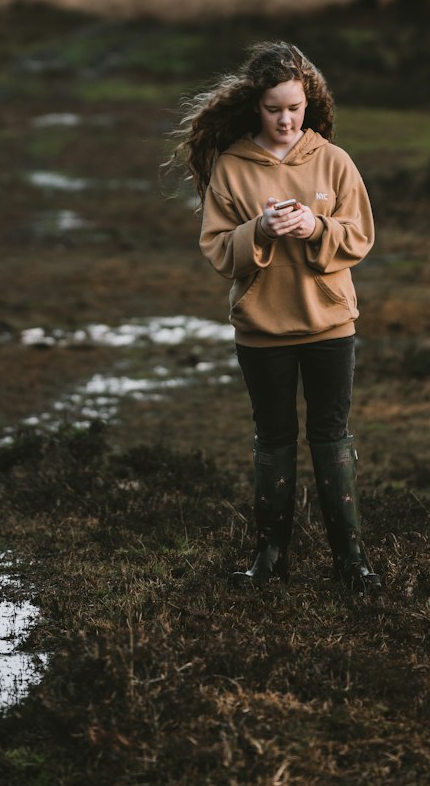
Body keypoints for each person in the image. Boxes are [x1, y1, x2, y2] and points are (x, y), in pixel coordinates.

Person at [173, 39, 380, 594]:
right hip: (262, 330)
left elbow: (360, 237)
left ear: (307, 102)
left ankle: (350, 560)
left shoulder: (334, 162)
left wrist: (316, 229)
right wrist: (258, 232)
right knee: (274, 438)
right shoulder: (232, 168)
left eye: (295, 107)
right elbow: (218, 249)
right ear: (255, 107)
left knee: (331, 435)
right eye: (273, 109)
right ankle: (270, 558)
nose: (286, 119)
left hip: (329, 326)